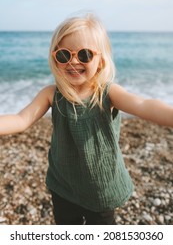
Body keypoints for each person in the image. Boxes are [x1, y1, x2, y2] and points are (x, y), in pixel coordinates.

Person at [0, 14, 173, 225]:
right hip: (63, 186)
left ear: (100, 60)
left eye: (84, 54)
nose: (73, 61)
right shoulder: (51, 94)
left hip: (100, 189)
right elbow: (21, 119)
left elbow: (143, 106)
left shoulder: (108, 93)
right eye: (64, 55)